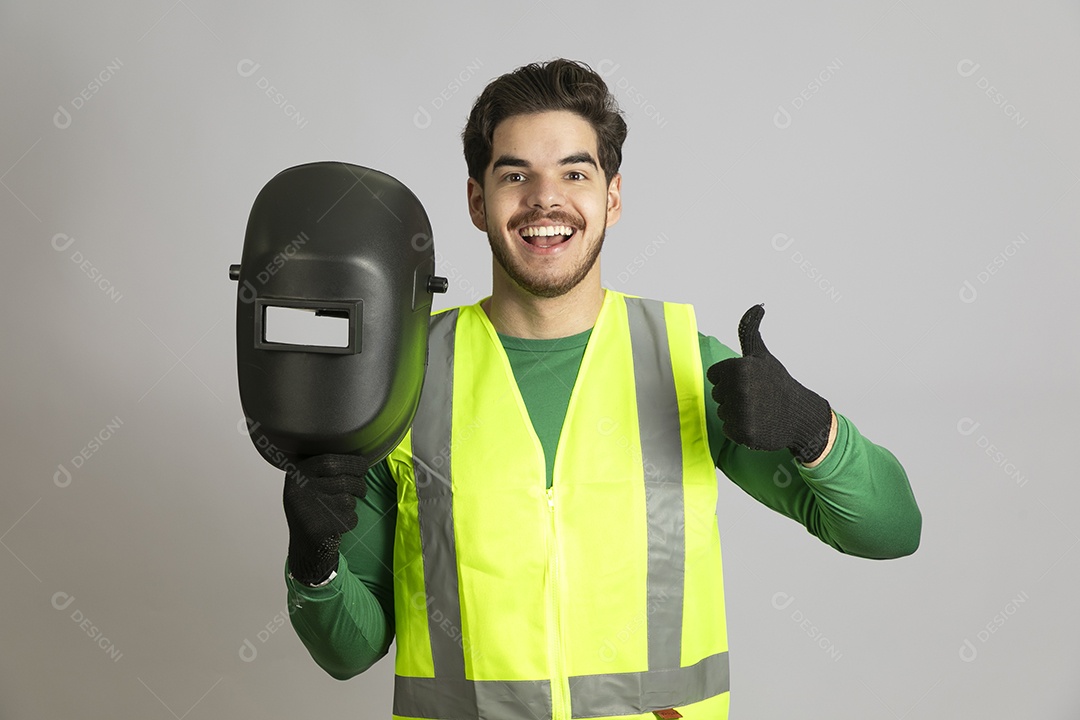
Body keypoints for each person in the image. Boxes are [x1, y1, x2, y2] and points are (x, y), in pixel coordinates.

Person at [281, 58, 921, 720]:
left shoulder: (683, 363)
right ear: (478, 201)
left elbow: (891, 530)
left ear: (611, 197)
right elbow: (349, 654)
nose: (544, 198)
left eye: (574, 173)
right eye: (515, 175)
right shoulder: (405, 379)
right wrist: (313, 562)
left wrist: (811, 428)